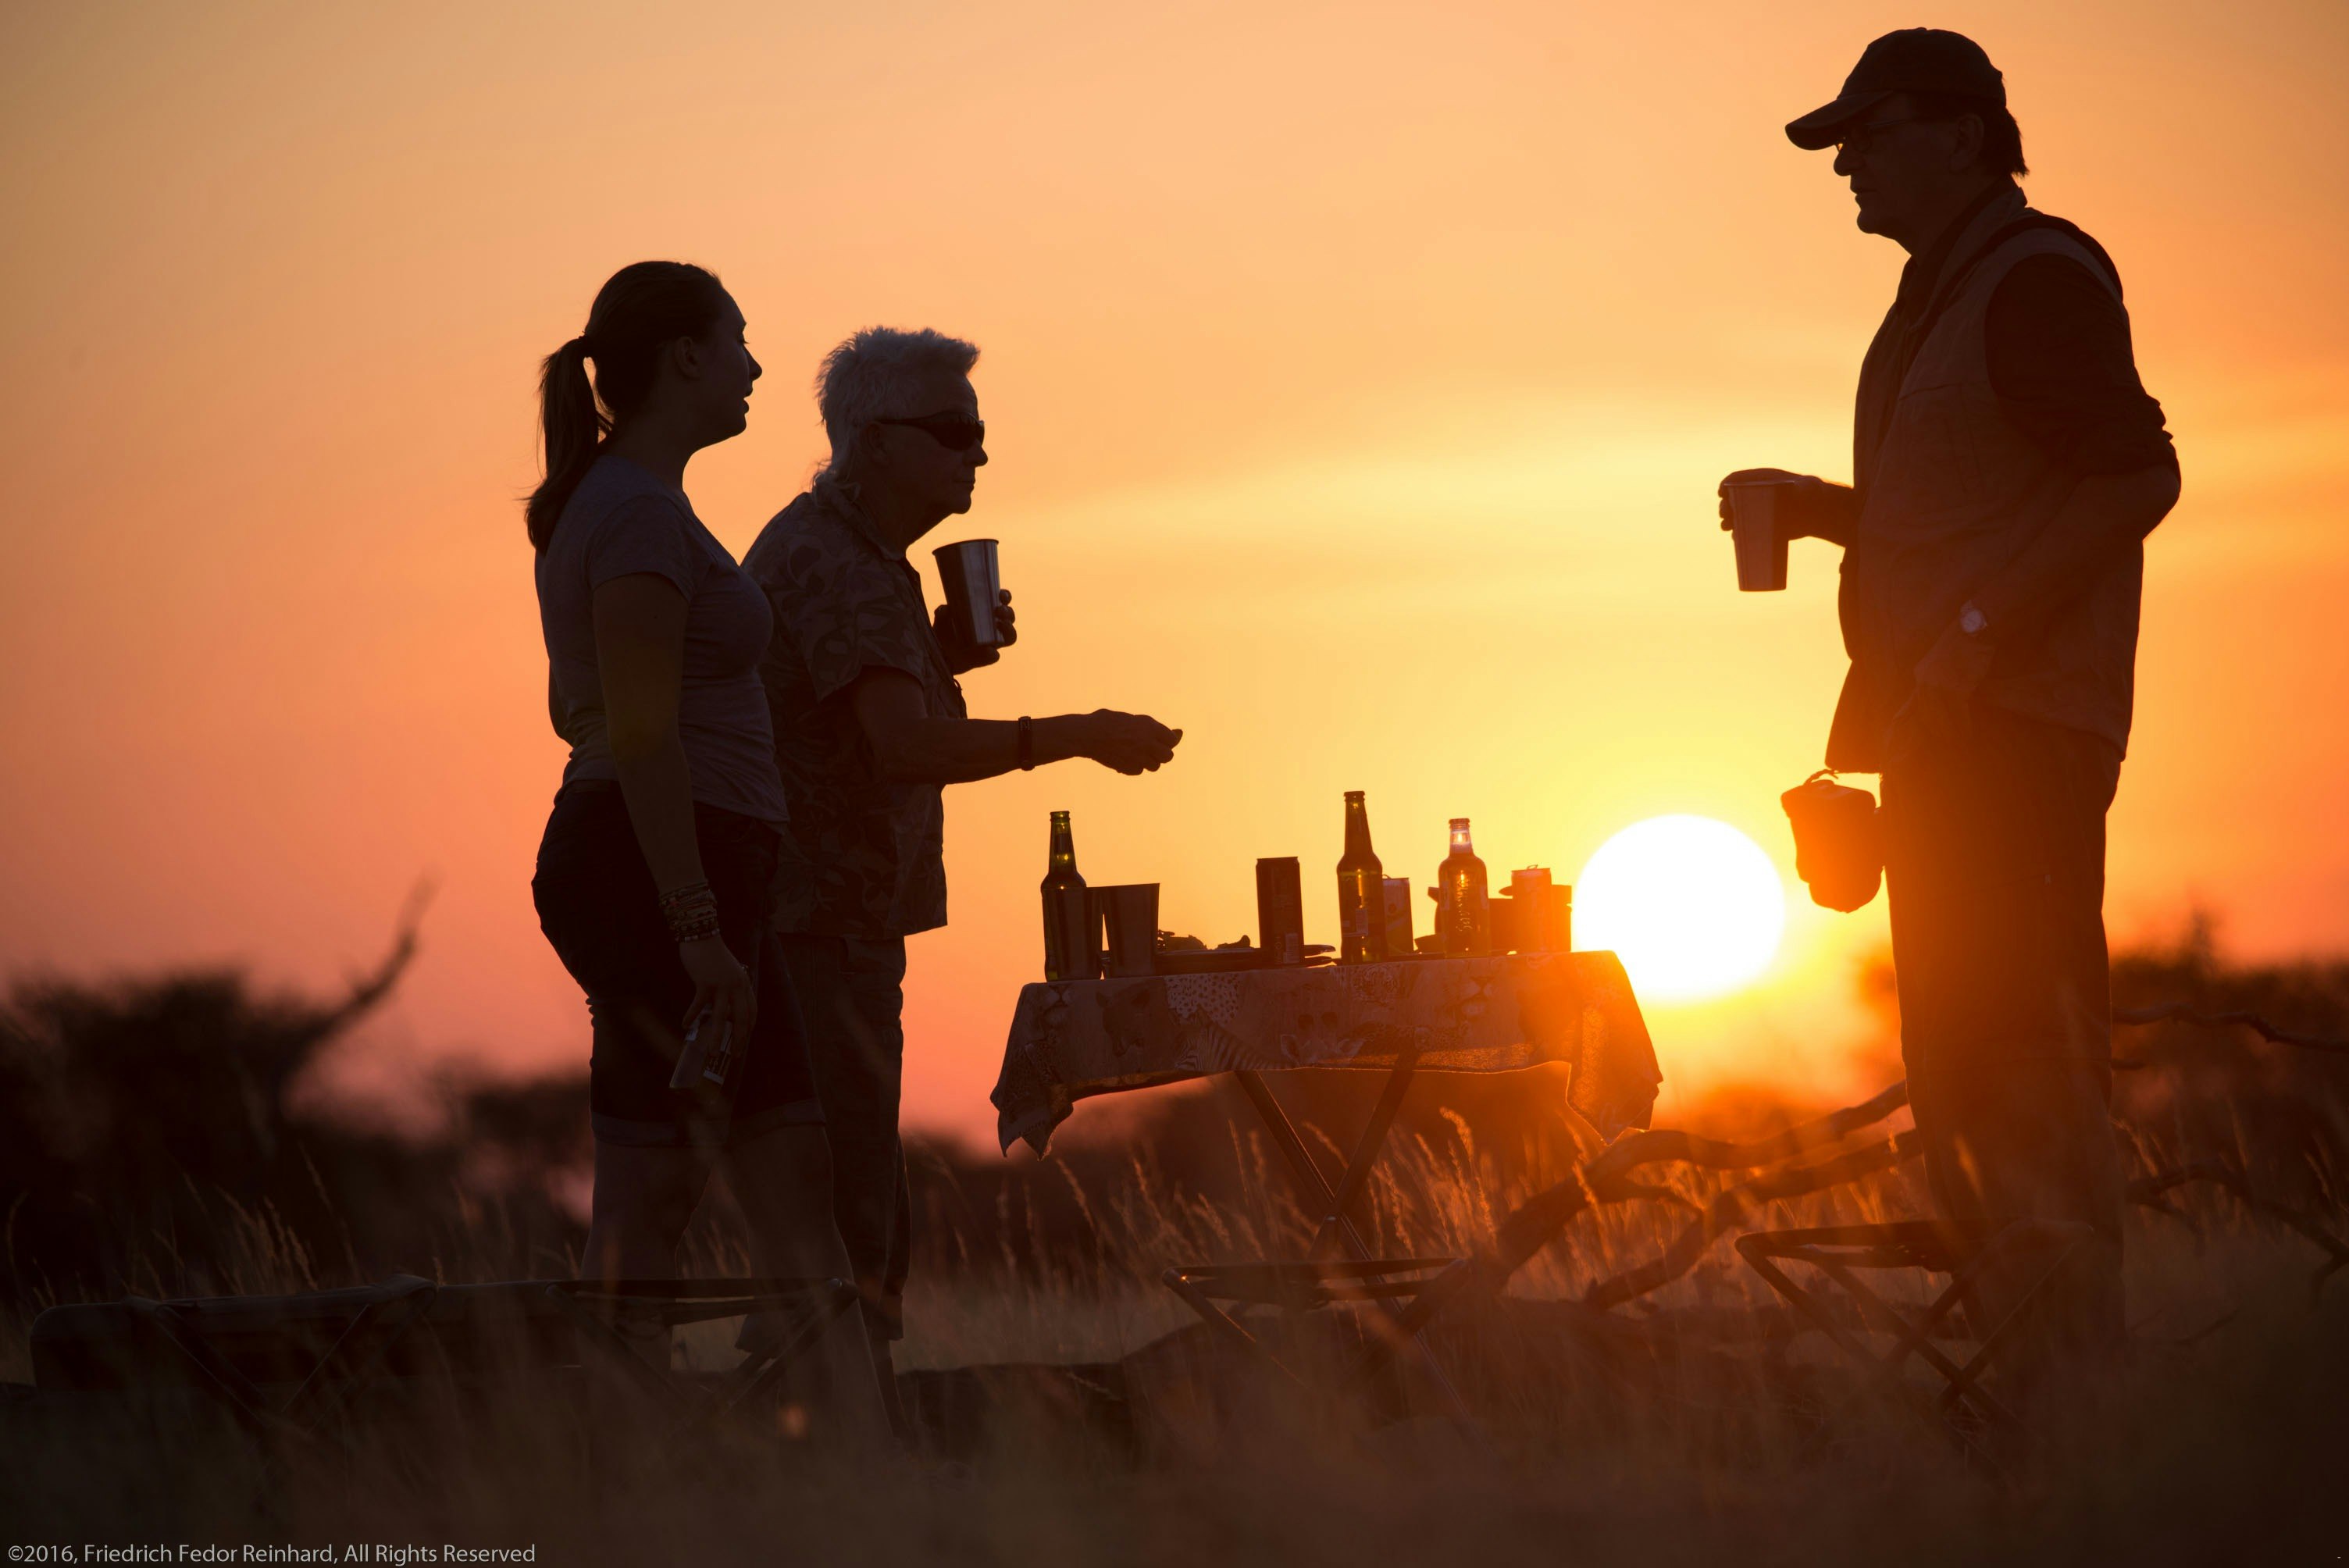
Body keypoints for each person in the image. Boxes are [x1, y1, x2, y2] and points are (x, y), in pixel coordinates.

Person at [1719, 30, 2180, 1395]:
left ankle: (2073, 1410)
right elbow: (1975, 507)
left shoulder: (2034, 278)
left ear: (1965, 135)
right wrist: (1822, 511)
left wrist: (1976, 639)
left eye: (1871, 133)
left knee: (2024, 1067)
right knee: (1968, 1076)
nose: (1848, 164)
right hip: (1946, 744)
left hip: (2018, 742)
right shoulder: (1945, 295)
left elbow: (2136, 479)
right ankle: (2026, 1399)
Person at [744, 326, 1181, 1426]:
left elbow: (853, 720)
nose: (976, 454)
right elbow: (902, 747)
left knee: (842, 1199)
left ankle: (817, 1430)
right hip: (817, 926)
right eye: (953, 432)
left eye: (977, 434)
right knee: (847, 1205)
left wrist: (942, 657)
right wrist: (1077, 733)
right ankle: (831, 1440)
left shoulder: (850, 556)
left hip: (829, 920)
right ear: (874, 443)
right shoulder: (842, 564)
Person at [525, 261, 882, 1436]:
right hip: (656, 876)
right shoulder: (630, 513)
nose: (756, 367)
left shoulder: (637, 506)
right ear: (685, 356)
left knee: (781, 1168)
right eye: (738, 341)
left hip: (698, 873)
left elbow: (580, 703)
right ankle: (619, 1457)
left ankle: (845, 1453)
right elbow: (633, 733)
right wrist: (695, 927)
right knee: (664, 1185)